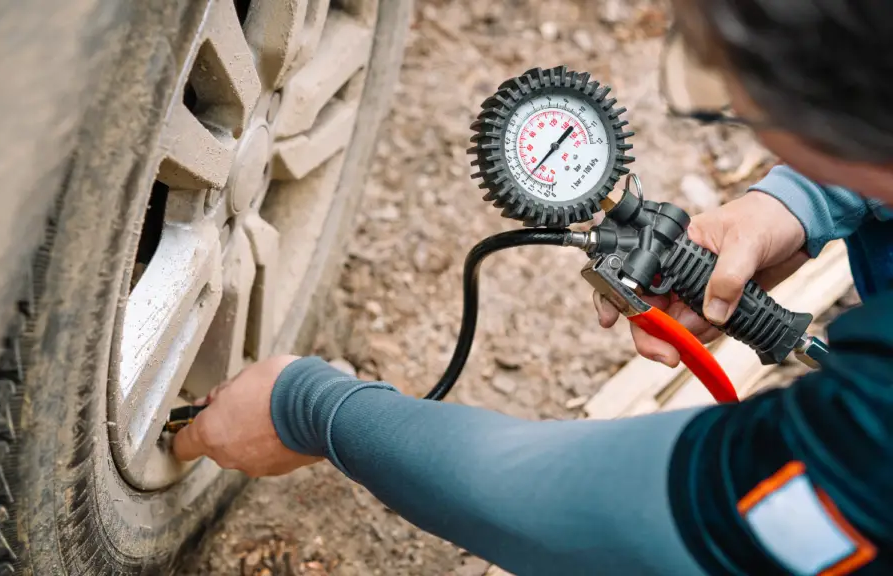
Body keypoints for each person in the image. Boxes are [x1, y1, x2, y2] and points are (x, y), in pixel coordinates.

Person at [174, 1, 893, 574]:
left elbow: (584, 517)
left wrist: (311, 409)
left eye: (737, 100)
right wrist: (800, 204)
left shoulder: (871, 437)